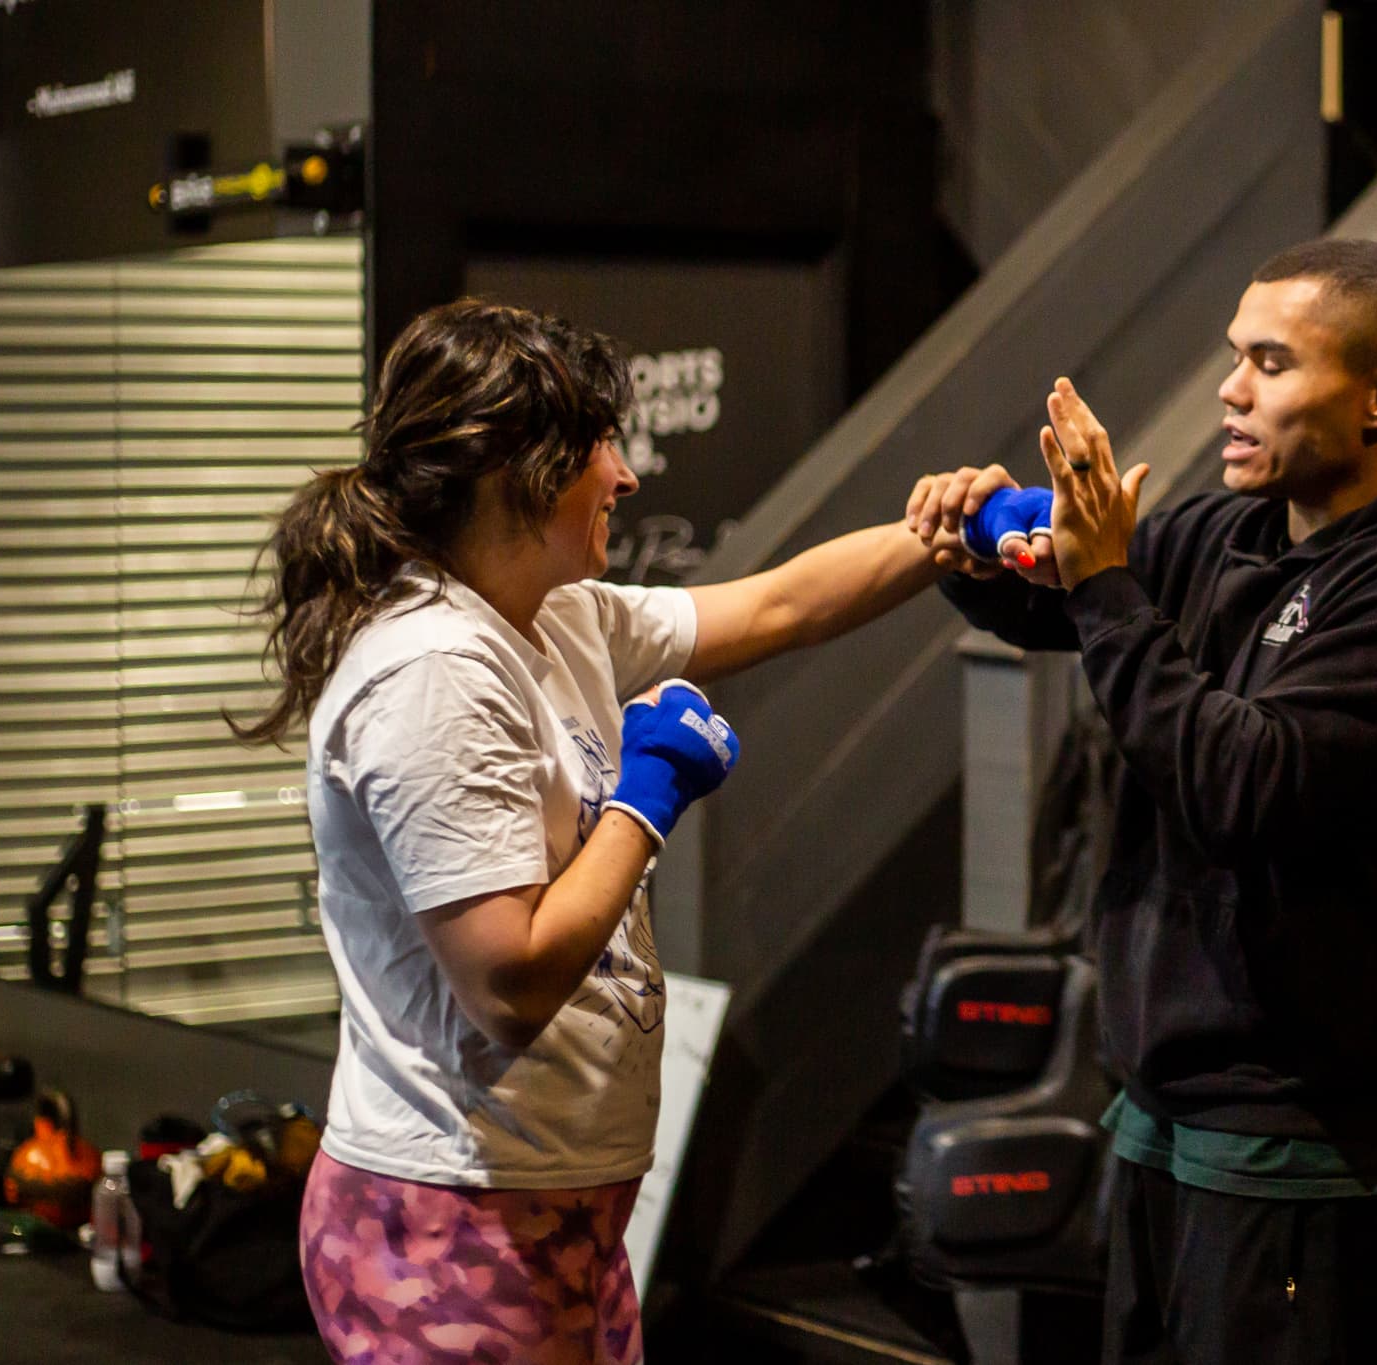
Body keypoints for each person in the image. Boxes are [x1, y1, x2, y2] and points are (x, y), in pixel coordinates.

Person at [232, 298, 947, 1365]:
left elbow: (777, 609)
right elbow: (507, 985)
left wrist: (947, 538)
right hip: (454, 1217)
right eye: (596, 446)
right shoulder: (432, 671)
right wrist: (646, 795)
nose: (624, 475)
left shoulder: (552, 613)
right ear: (513, 470)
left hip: (554, 1206)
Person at [909, 239, 1377, 1363]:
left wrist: (1099, 580)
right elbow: (1066, 615)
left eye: (1272, 364)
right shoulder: (1227, 530)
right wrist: (978, 546)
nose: (1231, 391)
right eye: (1233, 357)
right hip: (1167, 1116)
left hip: (1307, 1145)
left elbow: (1241, 785)